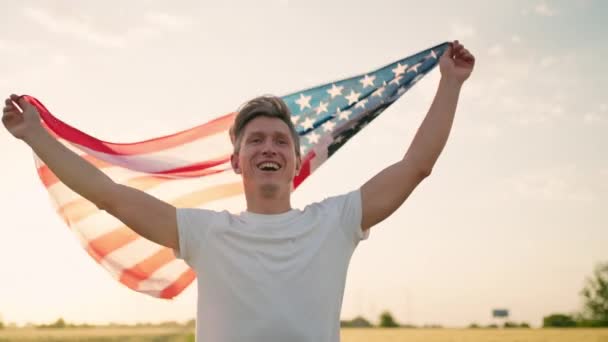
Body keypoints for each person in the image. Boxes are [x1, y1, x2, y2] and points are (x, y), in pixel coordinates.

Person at [2, 40, 474, 341]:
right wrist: (36, 136)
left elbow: (416, 166)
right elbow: (112, 196)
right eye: (256, 140)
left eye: (280, 141)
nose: (269, 147)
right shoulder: (205, 233)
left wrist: (450, 83)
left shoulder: (336, 221)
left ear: (296, 159)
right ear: (236, 161)